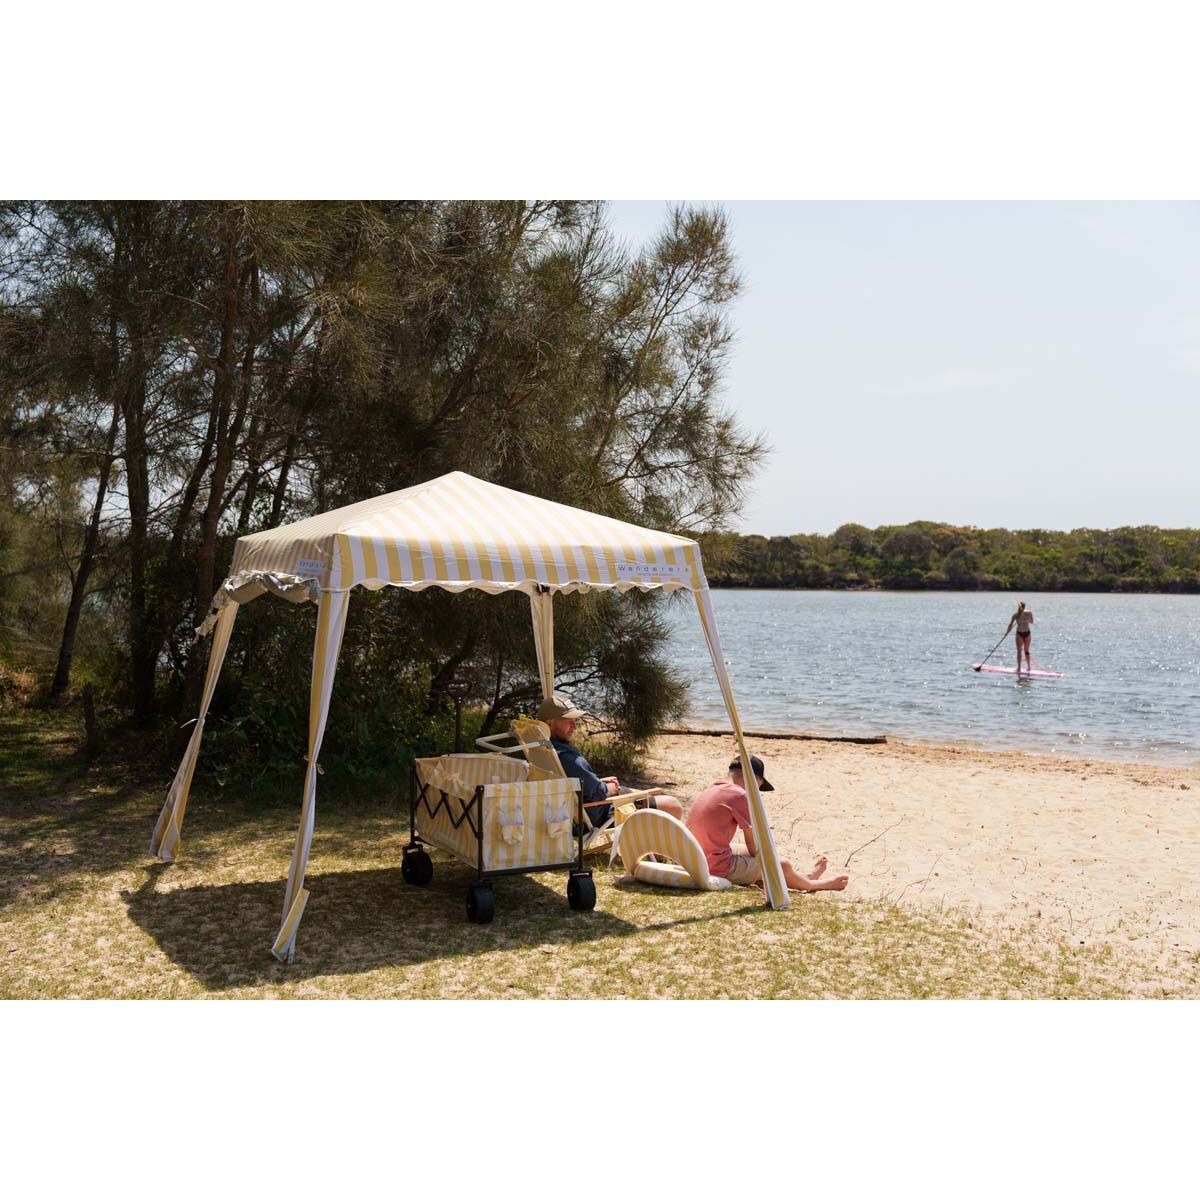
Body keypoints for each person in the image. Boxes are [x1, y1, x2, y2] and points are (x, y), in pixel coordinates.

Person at [686, 754, 848, 892]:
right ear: (752, 778)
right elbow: (753, 847)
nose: (756, 792)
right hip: (715, 866)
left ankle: (798, 877)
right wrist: (768, 859)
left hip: (694, 856)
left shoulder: (713, 788)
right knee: (780, 864)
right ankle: (812, 884)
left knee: (766, 857)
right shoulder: (740, 795)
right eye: (758, 787)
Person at [536, 692, 684, 825]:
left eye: (574, 720)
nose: (574, 726)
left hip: (567, 812)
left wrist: (601, 784)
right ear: (550, 723)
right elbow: (596, 792)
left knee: (652, 794)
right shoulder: (567, 758)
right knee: (672, 805)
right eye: (568, 720)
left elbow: (584, 784)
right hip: (597, 812)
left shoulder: (541, 750)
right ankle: (653, 848)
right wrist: (609, 788)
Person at [1005, 600, 1034, 674]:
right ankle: (1019, 668)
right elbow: (1010, 624)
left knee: (1026, 650)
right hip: (1019, 633)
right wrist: (1007, 632)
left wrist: (1026, 620)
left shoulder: (1028, 613)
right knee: (1019, 650)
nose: (1020, 608)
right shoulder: (1015, 615)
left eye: (1021, 607)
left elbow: (1032, 621)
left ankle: (1029, 667)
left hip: (1027, 633)